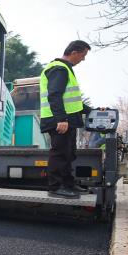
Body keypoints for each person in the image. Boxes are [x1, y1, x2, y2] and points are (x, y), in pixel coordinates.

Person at [39, 40, 93, 198]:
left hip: (66, 120)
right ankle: (55, 187)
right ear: (74, 52)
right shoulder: (59, 69)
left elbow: (72, 101)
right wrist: (61, 119)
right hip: (59, 121)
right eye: (83, 55)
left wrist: (93, 110)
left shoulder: (64, 69)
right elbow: (54, 95)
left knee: (68, 154)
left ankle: (69, 184)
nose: (83, 59)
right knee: (59, 154)